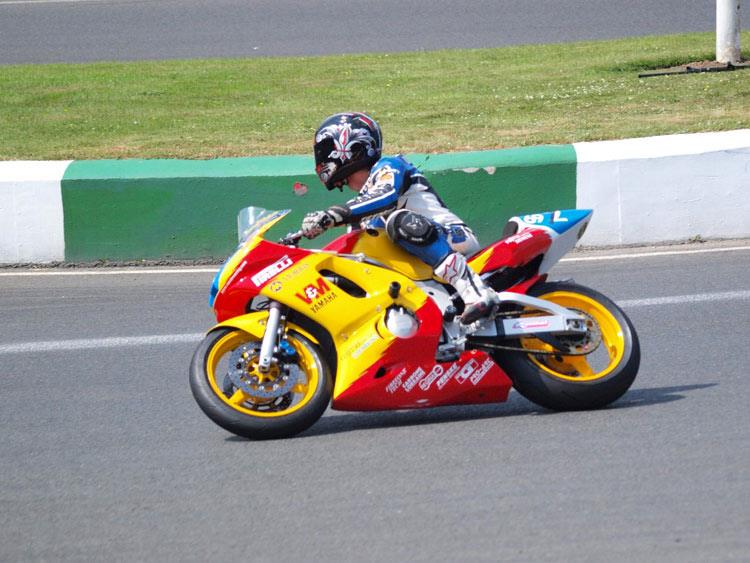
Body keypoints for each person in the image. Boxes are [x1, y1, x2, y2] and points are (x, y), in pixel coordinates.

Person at [300, 112, 499, 325]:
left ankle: (475, 291)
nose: (321, 158)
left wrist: (332, 215)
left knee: (399, 221)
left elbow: (385, 196)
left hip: (452, 237)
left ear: (349, 145)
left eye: (324, 150)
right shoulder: (359, 209)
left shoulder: (389, 166)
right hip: (418, 266)